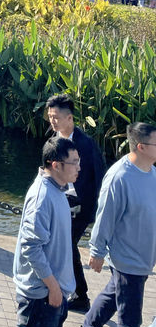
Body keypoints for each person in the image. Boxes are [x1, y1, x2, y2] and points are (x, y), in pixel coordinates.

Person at [72, 122, 156, 327]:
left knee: (113, 294)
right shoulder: (120, 177)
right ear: (141, 147)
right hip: (127, 257)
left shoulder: (152, 172)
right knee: (131, 318)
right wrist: (96, 251)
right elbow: (105, 216)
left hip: (144, 255)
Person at [0, 135, 79, 327]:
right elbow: (31, 247)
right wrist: (53, 288)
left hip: (54, 294)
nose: (78, 168)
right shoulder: (42, 196)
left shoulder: (58, 189)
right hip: (42, 296)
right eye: (74, 162)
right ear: (56, 165)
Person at [46, 94, 106, 312]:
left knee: (68, 246)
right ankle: (71, 291)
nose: (52, 121)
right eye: (50, 117)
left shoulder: (85, 144)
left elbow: (98, 177)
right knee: (62, 246)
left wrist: (94, 210)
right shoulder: (52, 140)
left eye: (56, 117)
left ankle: (79, 294)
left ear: (69, 118)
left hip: (80, 206)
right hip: (57, 199)